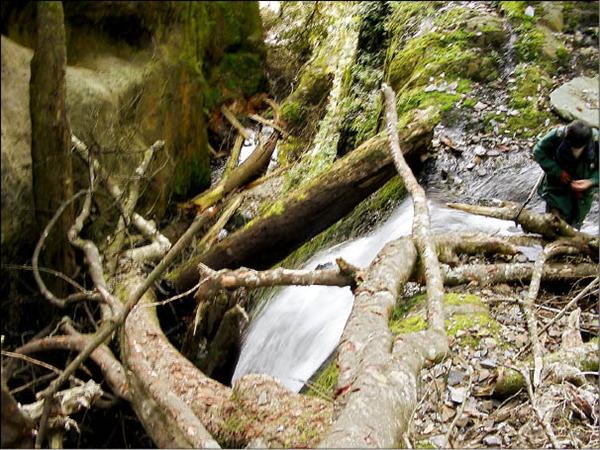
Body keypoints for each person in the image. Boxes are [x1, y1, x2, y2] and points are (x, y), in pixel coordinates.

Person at [534, 119, 599, 229]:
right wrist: (557, 171)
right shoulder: (558, 135)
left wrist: (591, 181)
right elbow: (539, 151)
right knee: (553, 224)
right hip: (557, 188)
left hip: (581, 197)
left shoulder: (596, 142)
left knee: (575, 225)